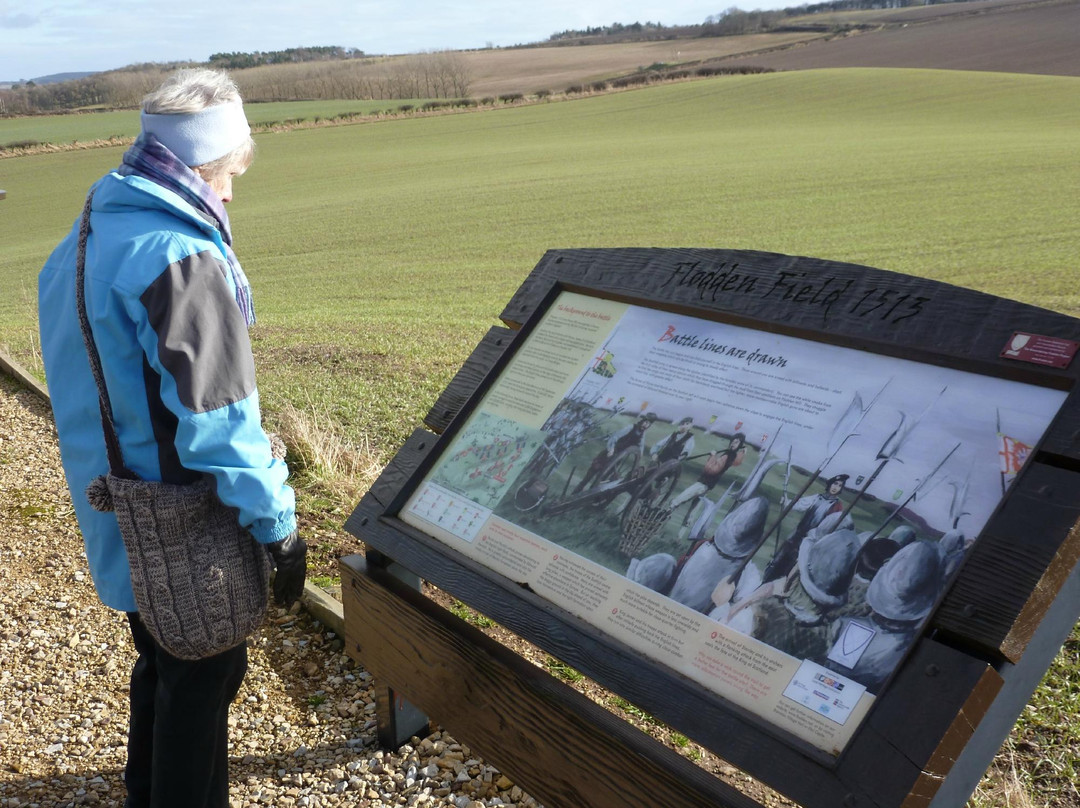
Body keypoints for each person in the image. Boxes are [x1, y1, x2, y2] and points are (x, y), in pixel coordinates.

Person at [38, 68, 307, 808]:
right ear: (206, 166)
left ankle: (144, 793)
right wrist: (278, 523)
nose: (230, 194)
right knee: (205, 677)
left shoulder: (87, 237)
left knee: (161, 661)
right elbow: (219, 422)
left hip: (118, 511)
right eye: (228, 177)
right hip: (180, 521)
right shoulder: (177, 256)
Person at [761, 473, 852, 583]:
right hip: (796, 536)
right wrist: (786, 502)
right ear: (830, 484)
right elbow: (800, 505)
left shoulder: (837, 506)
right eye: (835, 483)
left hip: (810, 542)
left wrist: (814, 535)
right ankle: (765, 581)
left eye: (839, 485)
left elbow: (830, 526)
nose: (835, 487)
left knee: (791, 568)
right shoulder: (817, 497)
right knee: (777, 561)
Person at [573, 411, 656, 493]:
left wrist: (639, 456)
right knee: (590, 474)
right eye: (645, 422)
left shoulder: (642, 434)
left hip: (617, 459)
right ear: (642, 421)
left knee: (600, 479)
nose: (645, 425)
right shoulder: (631, 427)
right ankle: (576, 492)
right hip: (609, 454)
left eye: (648, 424)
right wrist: (611, 448)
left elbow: (640, 446)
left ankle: (588, 494)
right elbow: (615, 436)